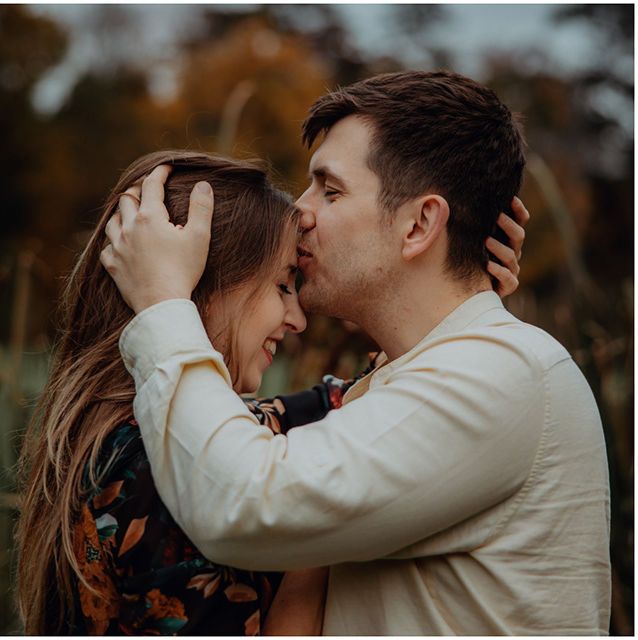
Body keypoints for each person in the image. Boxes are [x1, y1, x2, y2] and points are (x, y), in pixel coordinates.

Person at [102, 70, 609, 634]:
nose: (301, 211)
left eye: (330, 188)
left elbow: (247, 502)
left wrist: (163, 303)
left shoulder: (503, 372)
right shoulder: (436, 372)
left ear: (419, 224)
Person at [16, 151, 320, 634]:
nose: (297, 318)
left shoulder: (124, 435)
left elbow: (318, 407)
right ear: (200, 286)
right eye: (283, 284)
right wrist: (322, 544)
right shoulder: (163, 464)